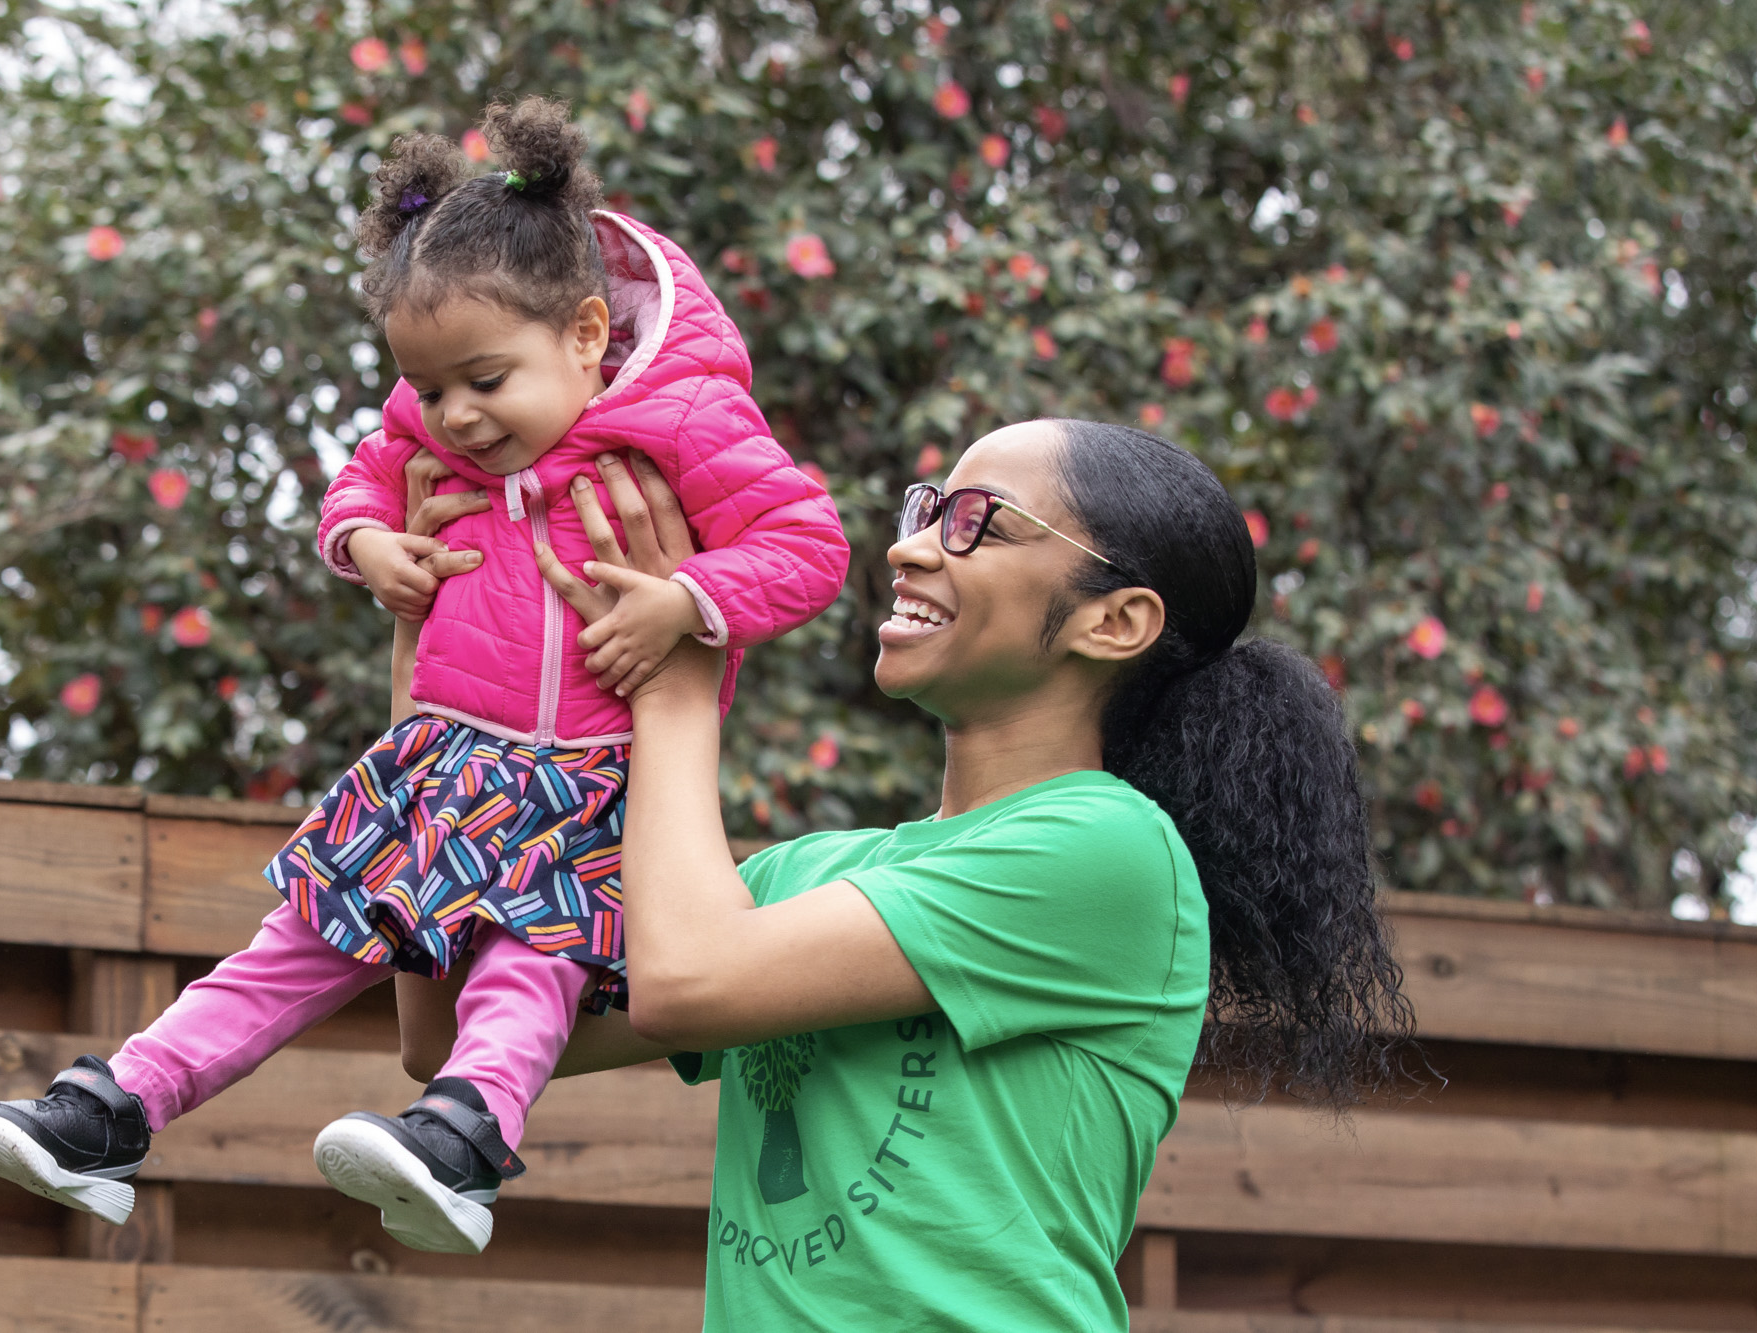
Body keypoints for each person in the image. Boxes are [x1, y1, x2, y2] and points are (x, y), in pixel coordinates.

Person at [0, 97, 850, 1256]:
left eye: (483, 379)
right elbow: (363, 481)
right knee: (295, 939)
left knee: (535, 956)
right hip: (443, 759)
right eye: (428, 388)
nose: (454, 417)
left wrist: (686, 601)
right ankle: (111, 1108)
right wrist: (364, 543)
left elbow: (808, 544)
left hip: (596, 779)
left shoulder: (683, 415)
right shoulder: (428, 421)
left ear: (585, 333)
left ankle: (465, 1133)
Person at [407, 417, 1413, 1329]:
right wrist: (438, 677)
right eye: (927, 508)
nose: (909, 544)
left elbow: (683, 983)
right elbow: (445, 1027)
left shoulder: (1107, 848)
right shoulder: (800, 877)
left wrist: (677, 684)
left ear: (1112, 622)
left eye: (981, 521)